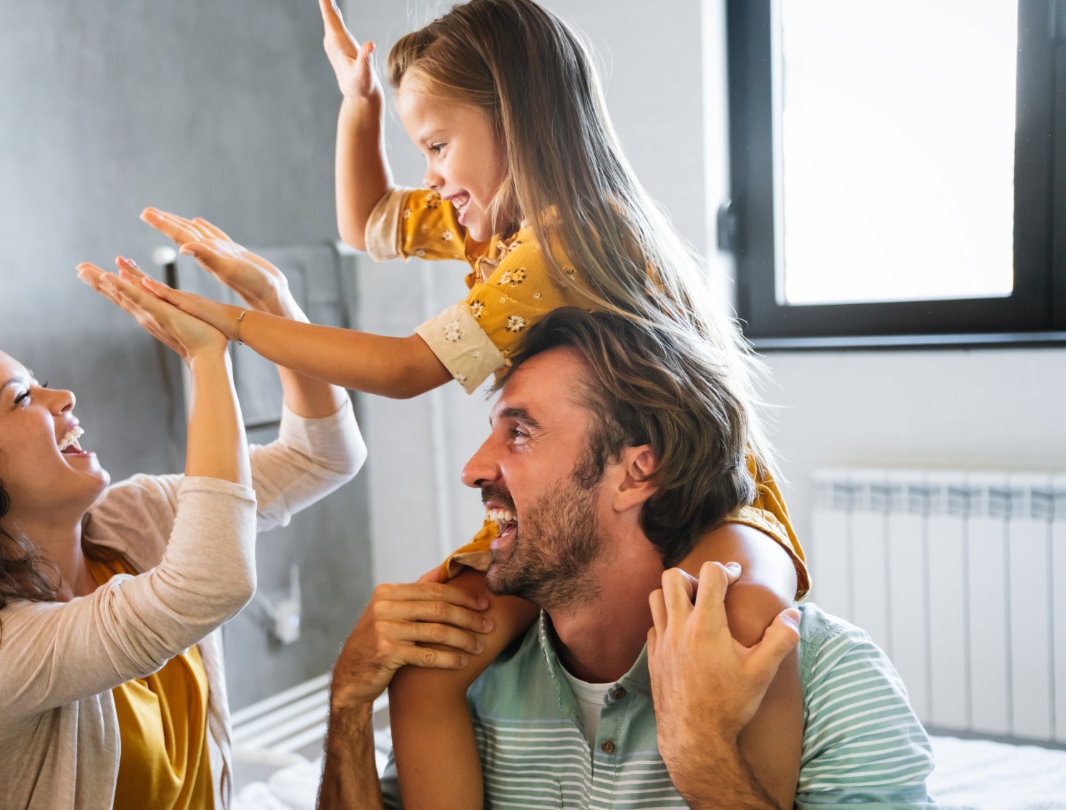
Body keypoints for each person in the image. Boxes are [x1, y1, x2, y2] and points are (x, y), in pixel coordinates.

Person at [95, 1, 813, 796]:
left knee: (740, 618)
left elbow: (406, 369)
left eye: (438, 145)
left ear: (517, 119)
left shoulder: (569, 234)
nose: (430, 173)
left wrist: (235, 324)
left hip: (704, 494)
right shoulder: (491, 222)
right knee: (428, 663)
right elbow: (364, 221)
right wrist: (357, 105)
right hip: (576, 498)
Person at [0, 257, 366, 809]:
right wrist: (206, 358)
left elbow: (323, 458)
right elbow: (209, 585)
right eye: (22, 398)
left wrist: (273, 302)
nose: (63, 397)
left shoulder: (135, 518)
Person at [319, 308, 937, 809]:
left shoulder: (834, 683)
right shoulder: (467, 675)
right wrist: (347, 706)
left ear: (636, 472)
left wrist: (703, 758)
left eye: (521, 432)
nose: (474, 469)